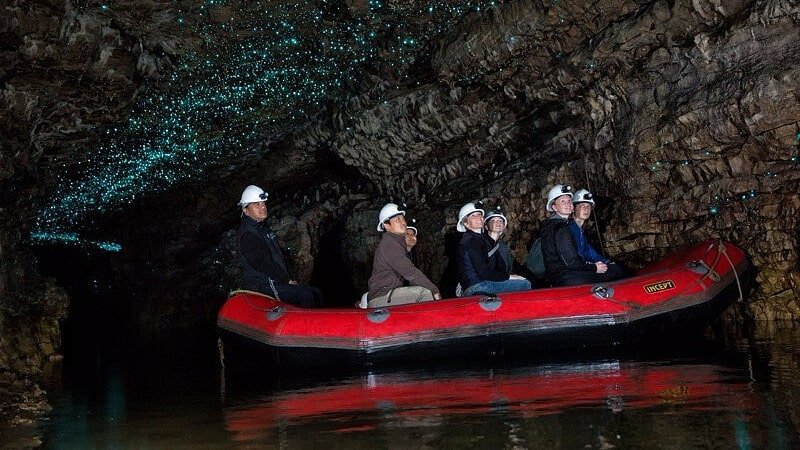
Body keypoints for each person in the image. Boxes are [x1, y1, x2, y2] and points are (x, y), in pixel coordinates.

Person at [236, 185, 324, 307]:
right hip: (262, 285)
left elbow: (278, 257)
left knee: (316, 292)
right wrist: (286, 281)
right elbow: (265, 265)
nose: (262, 207)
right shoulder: (248, 235)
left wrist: (288, 278)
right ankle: (308, 324)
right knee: (305, 295)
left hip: (275, 281)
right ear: (245, 210)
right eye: (256, 204)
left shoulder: (261, 228)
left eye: (263, 204)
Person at [540, 184, 620, 287]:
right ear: (554, 207)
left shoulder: (552, 225)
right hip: (567, 277)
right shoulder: (561, 228)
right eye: (562, 201)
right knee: (615, 271)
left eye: (569, 201)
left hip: (561, 275)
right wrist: (595, 268)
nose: (568, 204)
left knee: (612, 269)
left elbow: (587, 252)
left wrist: (604, 263)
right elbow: (572, 263)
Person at [368, 203, 441, 307]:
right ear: (387, 225)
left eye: (403, 219)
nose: (403, 222)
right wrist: (434, 290)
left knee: (419, 290)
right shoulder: (389, 244)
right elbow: (410, 272)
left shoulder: (396, 243)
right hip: (381, 296)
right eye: (397, 219)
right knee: (422, 293)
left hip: (388, 293)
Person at [457, 202, 530, 296]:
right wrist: (509, 277)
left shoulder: (478, 240)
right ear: (466, 224)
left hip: (478, 284)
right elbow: (484, 272)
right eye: (473, 216)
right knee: (525, 284)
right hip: (477, 286)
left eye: (479, 214)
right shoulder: (471, 241)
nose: (478, 217)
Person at [569, 189, 626, 280]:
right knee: (616, 271)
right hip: (575, 272)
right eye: (582, 206)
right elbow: (575, 257)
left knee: (616, 267)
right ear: (574, 208)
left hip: (583, 268)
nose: (586, 209)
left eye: (588, 206)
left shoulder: (580, 231)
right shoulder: (569, 228)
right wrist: (594, 266)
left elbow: (590, 253)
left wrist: (606, 262)